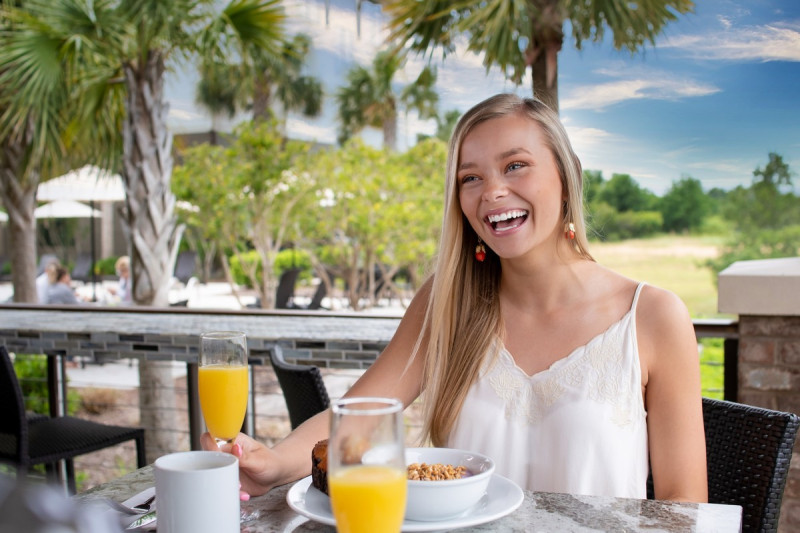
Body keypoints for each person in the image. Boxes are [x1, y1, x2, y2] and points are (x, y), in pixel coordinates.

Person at [202, 94, 708, 503]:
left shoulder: (653, 316)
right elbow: (360, 412)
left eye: (515, 166)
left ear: (566, 172)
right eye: (471, 178)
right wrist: (270, 462)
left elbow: (685, 505)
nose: (492, 192)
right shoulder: (447, 301)